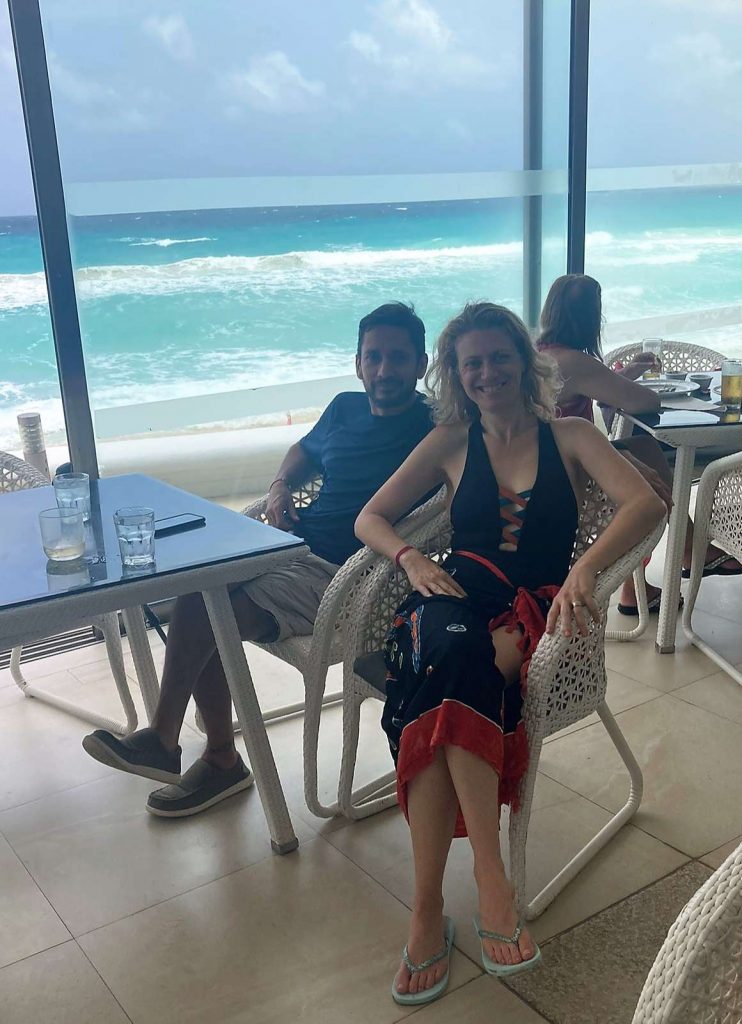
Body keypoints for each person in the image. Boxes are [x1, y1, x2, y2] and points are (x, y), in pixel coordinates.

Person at [355, 301, 665, 1006]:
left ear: (525, 363)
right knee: (456, 653)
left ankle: (428, 907)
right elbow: (369, 516)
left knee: (446, 680)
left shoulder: (571, 434)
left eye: (500, 357)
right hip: (444, 604)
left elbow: (645, 504)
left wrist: (586, 569)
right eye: (473, 363)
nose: (487, 372)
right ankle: (491, 881)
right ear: (456, 375)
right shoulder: (447, 441)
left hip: (527, 612)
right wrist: (407, 557)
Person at [82, 302, 434, 817]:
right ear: (358, 363)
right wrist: (278, 487)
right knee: (200, 580)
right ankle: (217, 759)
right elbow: (303, 450)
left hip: (348, 573)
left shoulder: (433, 425)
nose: (384, 371)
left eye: (398, 359)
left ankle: (173, 742)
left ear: (422, 365)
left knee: (206, 605)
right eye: (373, 357)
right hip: (289, 547)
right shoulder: (344, 407)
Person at [538, 274, 741, 614]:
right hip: (568, 473)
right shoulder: (573, 362)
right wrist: (628, 382)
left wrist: (626, 372)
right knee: (643, 460)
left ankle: (665, 566)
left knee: (640, 449)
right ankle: (684, 554)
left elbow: (597, 387)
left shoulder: (542, 354)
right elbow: (644, 402)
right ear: (592, 318)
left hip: (549, 461)